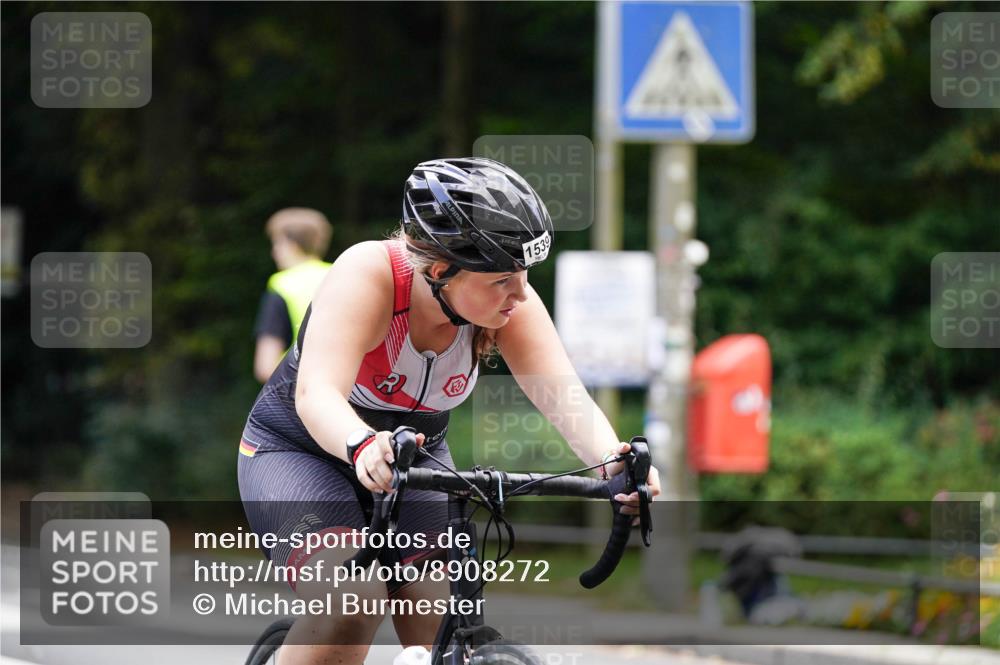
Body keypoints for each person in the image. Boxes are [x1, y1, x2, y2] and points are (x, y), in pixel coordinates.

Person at [237, 157, 661, 665]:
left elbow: (563, 397)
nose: (521, 292)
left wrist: (613, 460)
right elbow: (317, 394)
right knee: (352, 600)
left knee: (439, 617)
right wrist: (360, 442)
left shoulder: (506, 303)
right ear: (440, 270)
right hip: (300, 451)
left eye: (524, 273)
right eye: (503, 278)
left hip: (413, 460)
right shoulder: (369, 275)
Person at [253, 207, 333, 383]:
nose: (274, 252)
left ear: (292, 244)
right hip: (343, 387)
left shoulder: (282, 284)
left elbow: (265, 366)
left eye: (277, 243)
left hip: (295, 391)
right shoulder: (339, 274)